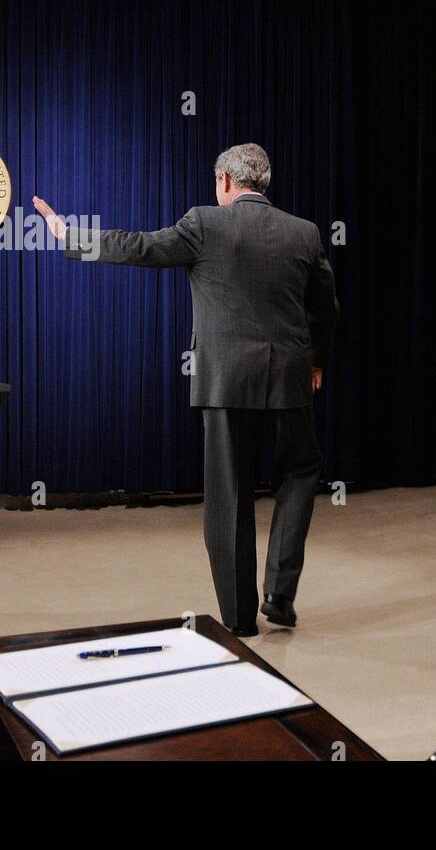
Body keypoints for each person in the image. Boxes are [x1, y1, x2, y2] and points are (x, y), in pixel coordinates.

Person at [33, 143, 339, 637]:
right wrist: (317, 360)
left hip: (224, 380)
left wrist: (69, 235)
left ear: (225, 181)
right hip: (288, 375)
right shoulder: (303, 232)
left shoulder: (203, 223)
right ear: (262, 182)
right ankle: (279, 594)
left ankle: (239, 620)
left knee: (230, 494)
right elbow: (326, 306)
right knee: (300, 471)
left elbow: (140, 247)